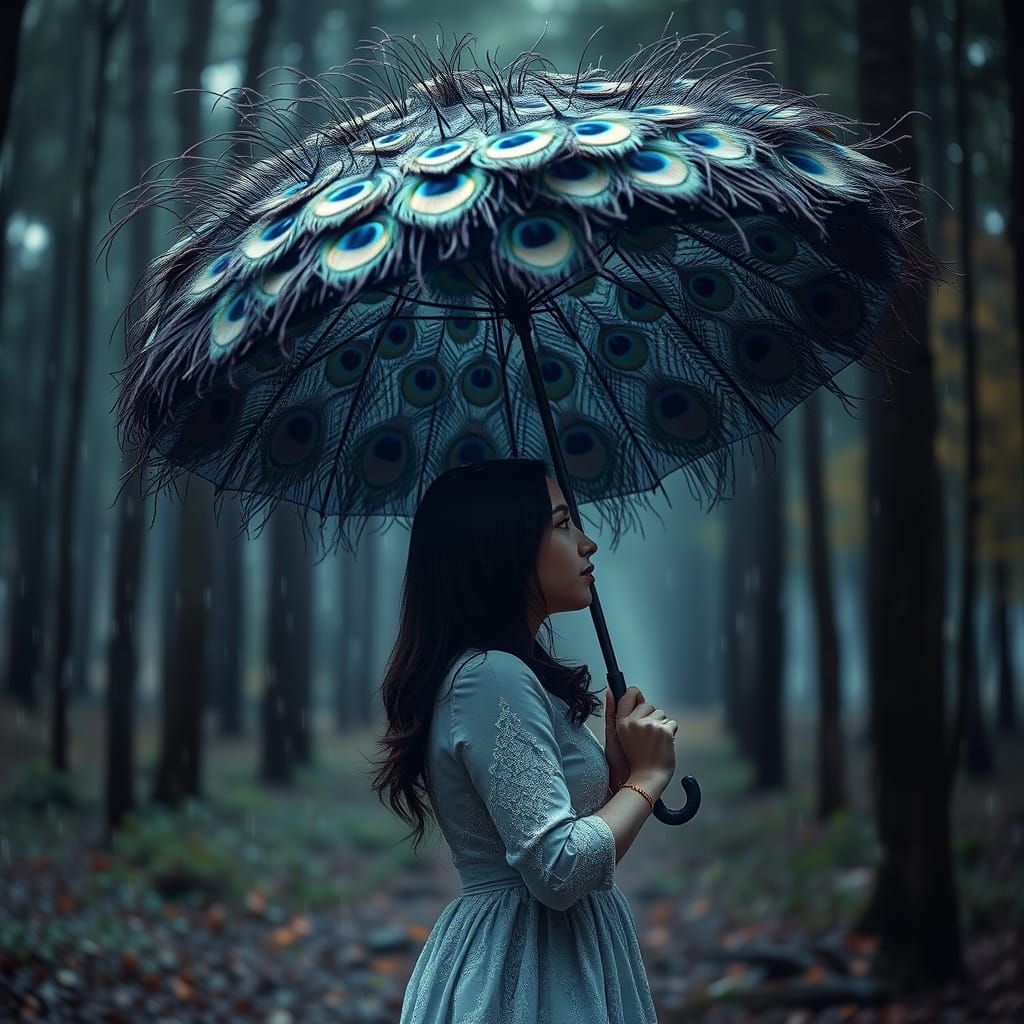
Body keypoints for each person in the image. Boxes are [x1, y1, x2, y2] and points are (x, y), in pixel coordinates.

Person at [369, 457, 679, 1023]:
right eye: (562, 524)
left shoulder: (504, 674)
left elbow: (573, 851)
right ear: (503, 547)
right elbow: (558, 871)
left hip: (551, 956)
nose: (587, 544)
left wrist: (613, 779)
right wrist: (647, 780)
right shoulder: (491, 677)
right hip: (524, 974)